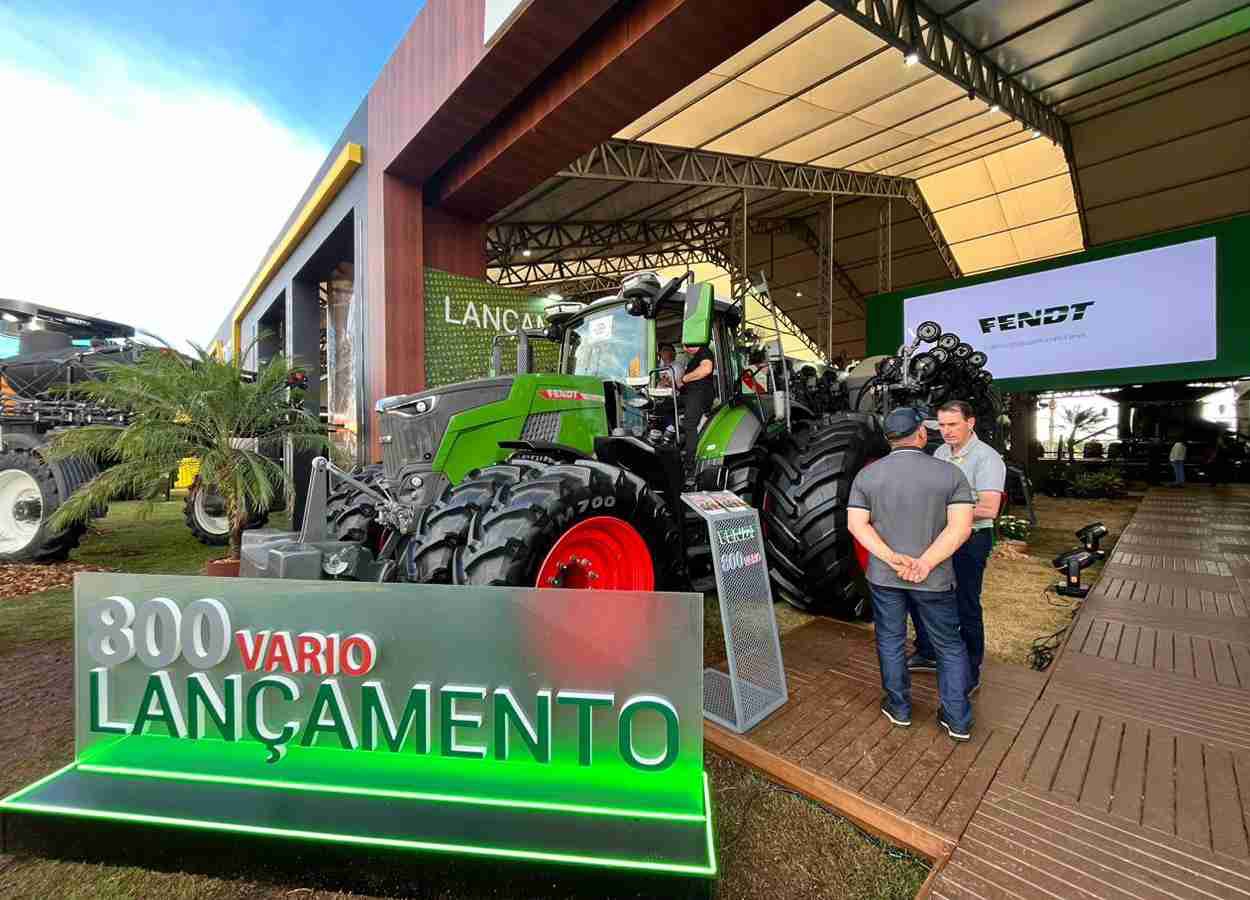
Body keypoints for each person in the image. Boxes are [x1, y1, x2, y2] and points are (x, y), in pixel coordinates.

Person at [847, 407, 976, 742]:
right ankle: (957, 719)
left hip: (885, 577)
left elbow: (856, 525)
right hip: (934, 580)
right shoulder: (950, 475)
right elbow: (961, 528)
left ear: (888, 438)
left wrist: (892, 558)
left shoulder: (867, 476)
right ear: (921, 433)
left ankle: (899, 707)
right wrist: (926, 563)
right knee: (949, 645)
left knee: (890, 641)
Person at [909, 400, 1005, 695]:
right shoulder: (939, 452)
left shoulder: (987, 459)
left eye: (953, 425)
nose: (947, 431)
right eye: (942, 426)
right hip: (940, 537)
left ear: (970, 422)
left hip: (971, 540)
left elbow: (989, 509)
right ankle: (928, 652)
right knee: (924, 594)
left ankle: (971, 672)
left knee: (965, 605)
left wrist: (948, 509)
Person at [678, 342, 715, 462]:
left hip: (699, 394)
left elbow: (706, 368)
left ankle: (691, 460)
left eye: (685, 345)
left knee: (689, 424)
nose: (684, 349)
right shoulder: (695, 358)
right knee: (663, 407)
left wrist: (684, 379)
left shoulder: (704, 352)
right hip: (691, 394)